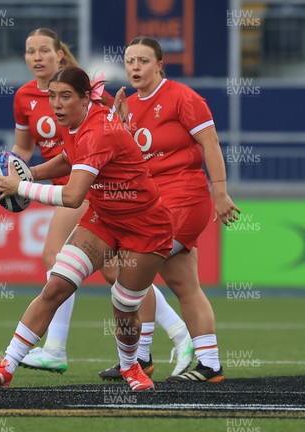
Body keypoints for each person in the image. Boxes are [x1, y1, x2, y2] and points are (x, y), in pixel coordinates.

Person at [0, 66, 174, 392]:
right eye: (52, 96)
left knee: (124, 306)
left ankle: (131, 367)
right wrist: (28, 174)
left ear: (85, 98)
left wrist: (20, 187)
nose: (56, 103)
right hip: (105, 220)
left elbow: (71, 196)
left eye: (65, 96)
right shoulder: (75, 121)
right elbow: (68, 159)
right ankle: (7, 365)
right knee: (56, 286)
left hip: (146, 228)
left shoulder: (99, 132)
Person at [14, 28, 193, 378]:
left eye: (44, 51)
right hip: (67, 182)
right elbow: (24, 146)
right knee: (115, 273)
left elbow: (117, 131)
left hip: (87, 189)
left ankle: (55, 348)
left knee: (55, 258)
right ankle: (175, 335)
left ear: (59, 56)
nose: (37, 57)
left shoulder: (86, 94)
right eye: (29, 51)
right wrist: (18, 169)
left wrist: (23, 185)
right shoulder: (23, 97)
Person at [99, 36, 241, 383]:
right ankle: (209, 366)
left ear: (160, 65)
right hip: (152, 205)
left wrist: (220, 193)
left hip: (185, 199)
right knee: (183, 284)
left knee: (132, 269)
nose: (135, 66)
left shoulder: (182, 97)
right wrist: (117, 123)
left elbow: (210, 144)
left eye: (143, 61)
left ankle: (139, 358)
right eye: (130, 60)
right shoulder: (128, 105)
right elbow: (126, 158)